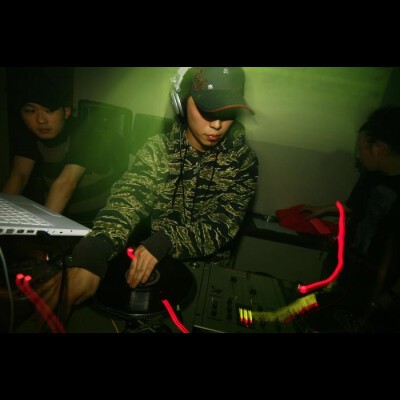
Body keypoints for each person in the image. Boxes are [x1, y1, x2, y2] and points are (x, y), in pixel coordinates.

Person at [39, 67, 259, 324]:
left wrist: (165, 241)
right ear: (180, 102)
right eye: (207, 110)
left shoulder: (244, 161)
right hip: (158, 269)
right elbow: (128, 198)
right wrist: (95, 251)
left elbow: (223, 223)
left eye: (227, 112)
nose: (217, 124)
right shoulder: (158, 149)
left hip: (209, 273)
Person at [273, 105, 400, 332]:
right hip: (347, 264)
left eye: (361, 149)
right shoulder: (370, 175)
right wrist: (322, 209)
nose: (358, 156)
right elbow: (352, 206)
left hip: (374, 283)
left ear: (379, 149)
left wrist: (388, 297)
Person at [2, 69, 117, 227]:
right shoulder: (27, 134)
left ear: (66, 112)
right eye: (30, 111)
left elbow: (66, 183)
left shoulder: (85, 131)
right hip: (63, 215)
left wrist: (42, 230)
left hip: (102, 218)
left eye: (49, 110)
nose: (40, 120)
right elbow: (19, 175)